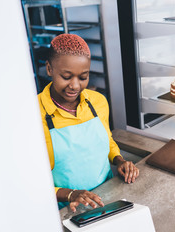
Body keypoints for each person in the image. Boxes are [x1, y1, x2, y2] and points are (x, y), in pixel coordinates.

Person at [38, 34, 139, 212]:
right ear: (49, 69)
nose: (75, 86)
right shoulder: (33, 114)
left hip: (108, 197)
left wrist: (120, 160)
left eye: (83, 77)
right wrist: (71, 194)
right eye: (66, 76)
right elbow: (32, 181)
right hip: (66, 209)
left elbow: (108, 141)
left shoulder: (98, 101)